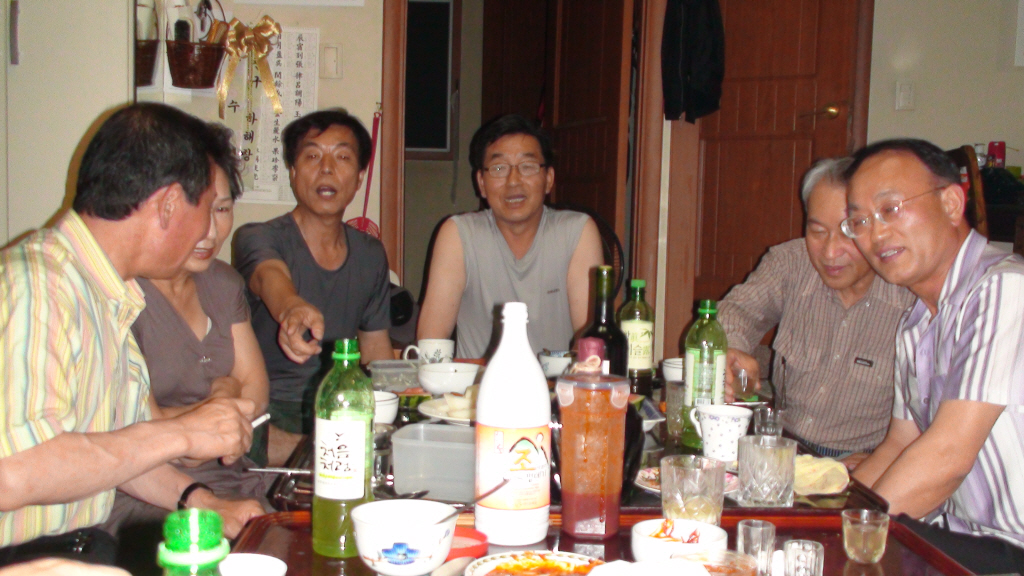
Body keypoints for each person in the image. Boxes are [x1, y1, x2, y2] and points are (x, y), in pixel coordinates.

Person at [0, 103, 262, 566]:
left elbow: (116, 456)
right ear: (169, 204)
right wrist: (182, 433)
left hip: (80, 546)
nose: (208, 231)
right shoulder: (39, 284)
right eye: (206, 209)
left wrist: (205, 503)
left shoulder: (112, 295)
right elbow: (14, 472)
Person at [846, 139, 1024, 574]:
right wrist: (818, 514)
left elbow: (948, 455)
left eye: (891, 209)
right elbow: (900, 444)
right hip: (957, 536)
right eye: (860, 221)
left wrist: (846, 535)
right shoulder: (916, 323)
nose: (876, 234)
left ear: (951, 203)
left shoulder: (1004, 288)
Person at [101, 133, 272, 574]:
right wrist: (214, 408)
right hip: (145, 492)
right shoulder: (121, 294)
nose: (210, 232)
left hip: (233, 476)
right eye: (200, 210)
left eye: (223, 209)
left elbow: (256, 390)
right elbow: (139, 427)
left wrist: (222, 403)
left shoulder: (223, 283)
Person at [718, 158, 913, 464]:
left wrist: (880, 461)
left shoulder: (912, 294)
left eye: (849, 231)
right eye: (818, 231)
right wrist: (734, 348)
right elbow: (738, 310)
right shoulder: (791, 263)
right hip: (782, 446)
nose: (830, 252)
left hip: (866, 459)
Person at [233, 110, 392, 465]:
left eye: (343, 157)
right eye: (312, 156)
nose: (327, 169)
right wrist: (291, 308)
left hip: (341, 405)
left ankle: (327, 452)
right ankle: (321, 452)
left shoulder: (370, 254)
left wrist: (386, 412)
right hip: (267, 410)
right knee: (240, 429)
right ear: (293, 172)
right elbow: (269, 275)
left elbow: (375, 351)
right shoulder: (257, 237)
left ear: (360, 178)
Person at [417, 114, 604, 358]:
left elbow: (590, 337)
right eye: (499, 168)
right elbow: (431, 341)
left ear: (548, 179)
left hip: (555, 381)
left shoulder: (577, 232)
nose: (513, 181)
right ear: (481, 183)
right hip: (477, 382)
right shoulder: (458, 235)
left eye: (527, 166)